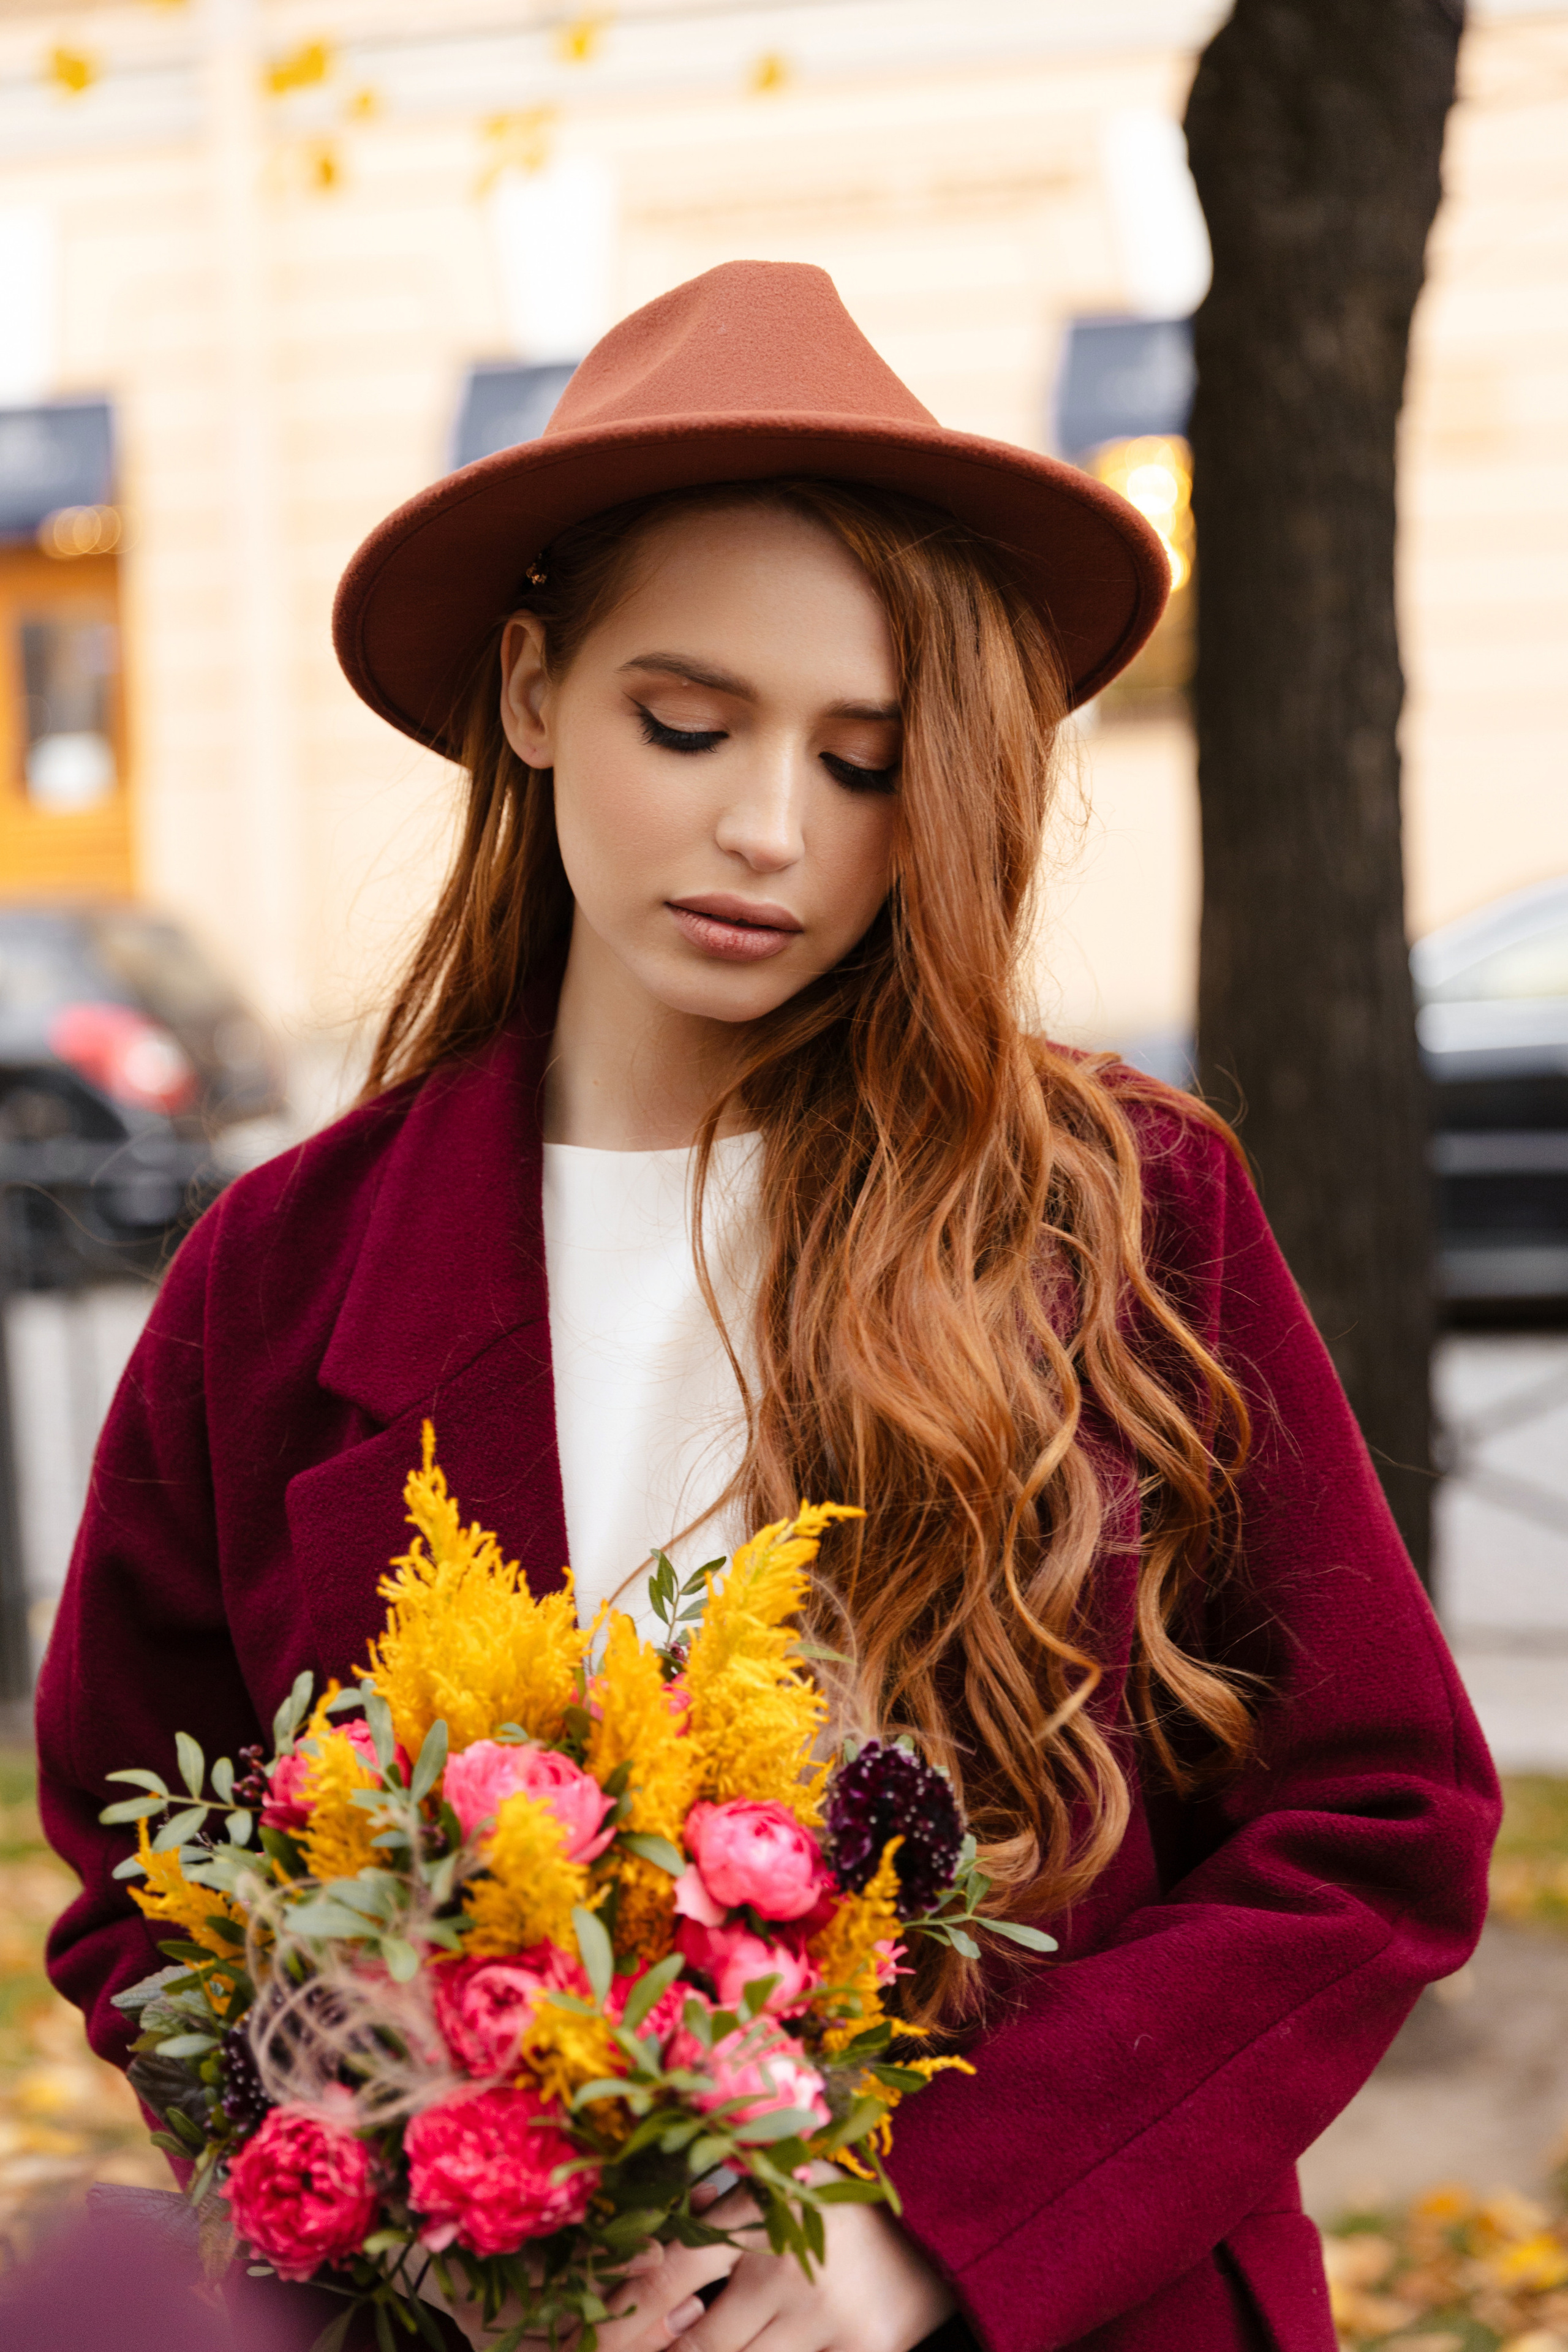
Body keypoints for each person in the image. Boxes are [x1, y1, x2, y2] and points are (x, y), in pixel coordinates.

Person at [36, 262, 1498, 2352]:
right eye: (688, 721)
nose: (766, 831)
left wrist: (934, 2238)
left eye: (869, 759)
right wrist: (425, 2202)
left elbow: (1382, 1820)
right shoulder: (278, 1278)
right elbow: (135, 1875)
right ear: (534, 693)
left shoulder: (1121, 1211)